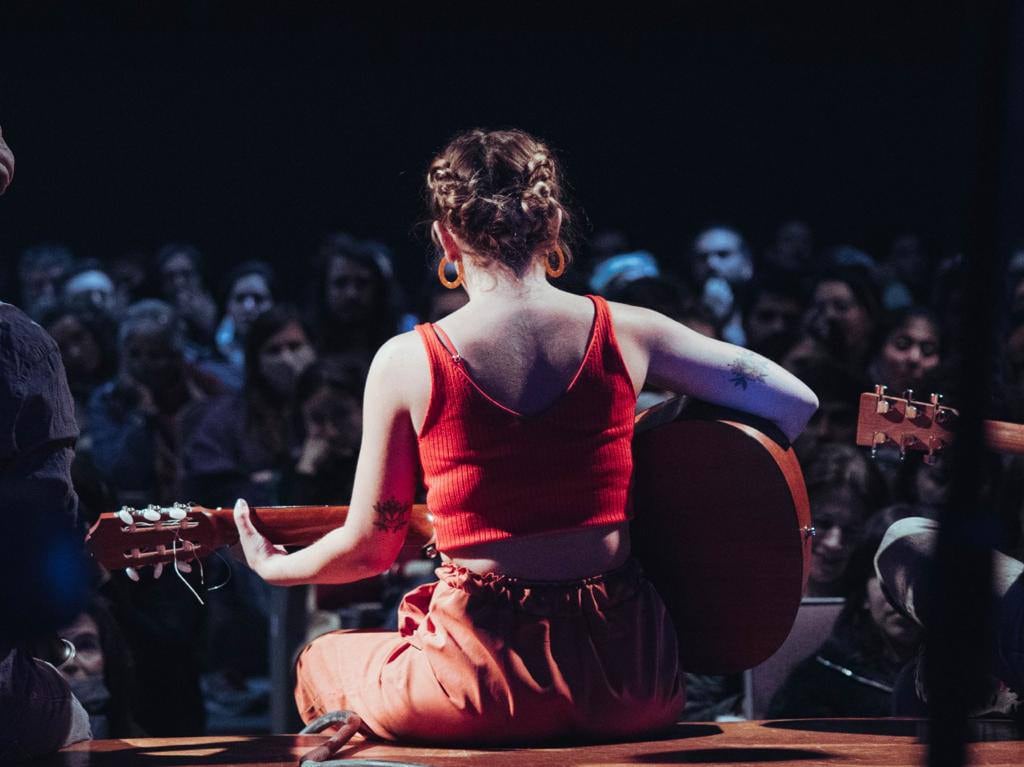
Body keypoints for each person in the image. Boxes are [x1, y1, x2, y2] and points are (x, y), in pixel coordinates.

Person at [232, 128, 818, 745]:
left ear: (445, 238)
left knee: (321, 660)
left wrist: (276, 567)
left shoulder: (408, 361)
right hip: (633, 680)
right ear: (555, 223)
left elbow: (369, 549)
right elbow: (795, 402)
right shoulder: (629, 332)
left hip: (480, 688)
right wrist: (661, 438)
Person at [768, 506, 924, 717]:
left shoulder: (969, 675)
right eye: (889, 577)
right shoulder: (820, 679)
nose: (905, 596)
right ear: (863, 594)